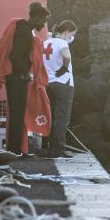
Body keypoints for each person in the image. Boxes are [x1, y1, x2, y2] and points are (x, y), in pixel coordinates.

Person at [0, 1, 51, 156]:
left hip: (14, 77)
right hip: (17, 78)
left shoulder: (23, 28)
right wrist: (26, 73)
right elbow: (15, 55)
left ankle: (14, 148)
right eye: (43, 21)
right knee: (18, 113)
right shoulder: (24, 31)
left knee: (16, 113)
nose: (44, 25)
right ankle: (15, 149)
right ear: (36, 17)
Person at [40, 20, 77, 159]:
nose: (72, 38)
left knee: (49, 116)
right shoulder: (62, 43)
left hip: (48, 84)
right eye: (72, 34)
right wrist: (64, 67)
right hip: (63, 83)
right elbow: (66, 55)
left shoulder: (46, 43)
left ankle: (46, 147)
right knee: (62, 118)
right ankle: (58, 150)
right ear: (67, 31)